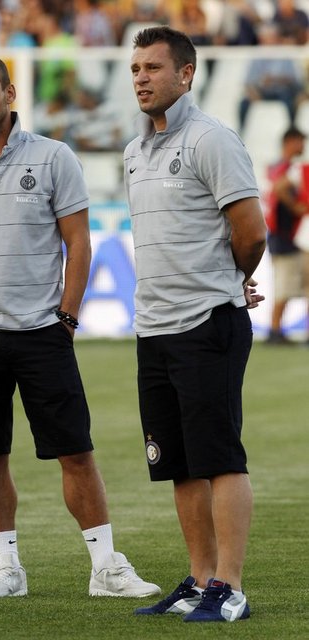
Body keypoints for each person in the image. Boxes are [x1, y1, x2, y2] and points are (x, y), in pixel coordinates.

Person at [0, 52, 161, 600]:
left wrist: (66, 318)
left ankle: (106, 567)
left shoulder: (53, 157)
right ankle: (6, 567)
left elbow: (79, 244)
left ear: (10, 94)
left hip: (41, 330)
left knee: (75, 449)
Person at [123, 26, 267, 623]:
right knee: (178, 462)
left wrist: (229, 280)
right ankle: (201, 578)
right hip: (153, 326)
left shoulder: (212, 139)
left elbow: (251, 232)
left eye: (153, 68)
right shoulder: (134, 151)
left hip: (206, 323)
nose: (141, 78)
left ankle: (230, 587)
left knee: (220, 457)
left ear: (186, 74)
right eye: (136, 69)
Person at [265, 126, 309, 344]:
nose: (303, 146)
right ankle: (275, 331)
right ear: (290, 142)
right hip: (283, 236)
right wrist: (295, 207)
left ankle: (276, 330)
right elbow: (278, 190)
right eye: (300, 141)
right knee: (284, 286)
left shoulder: (282, 167)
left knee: (288, 286)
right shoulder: (284, 168)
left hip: (287, 236)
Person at [237, 23, 306, 135]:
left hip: (282, 91)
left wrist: (276, 79)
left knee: (289, 99)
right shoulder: (256, 55)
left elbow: (294, 79)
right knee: (243, 103)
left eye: (272, 37)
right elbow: (248, 82)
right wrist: (253, 93)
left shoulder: (285, 53)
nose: (269, 41)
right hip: (262, 92)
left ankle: (292, 130)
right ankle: (241, 131)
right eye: (266, 38)